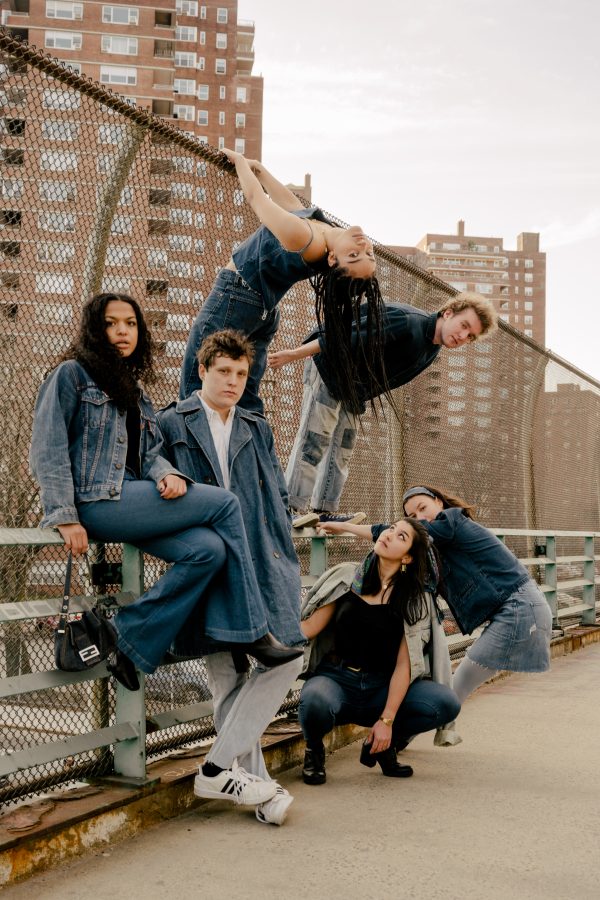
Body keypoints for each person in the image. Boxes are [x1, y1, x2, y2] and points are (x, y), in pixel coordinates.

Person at [29, 292, 302, 786]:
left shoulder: (134, 390)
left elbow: (150, 454)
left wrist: (166, 474)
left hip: (133, 499)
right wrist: (64, 516)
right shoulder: (71, 375)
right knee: (225, 503)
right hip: (96, 500)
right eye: (111, 323)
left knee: (208, 549)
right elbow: (47, 444)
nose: (123, 331)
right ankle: (253, 631)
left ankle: (128, 639)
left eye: (131, 323)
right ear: (95, 329)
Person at [157, 329, 304, 825]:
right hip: (211, 560)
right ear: (202, 371)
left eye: (241, 373)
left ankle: (217, 767)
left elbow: (277, 493)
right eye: (224, 371)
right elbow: (153, 475)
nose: (234, 381)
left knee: (287, 656)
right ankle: (260, 792)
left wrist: (284, 547)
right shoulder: (171, 421)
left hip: (262, 558)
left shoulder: (256, 425)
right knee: (227, 676)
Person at [179, 149, 391, 424]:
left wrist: (240, 162)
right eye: (368, 254)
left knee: (196, 380)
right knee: (247, 398)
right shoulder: (324, 230)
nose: (363, 246)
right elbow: (291, 203)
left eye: (353, 256)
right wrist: (258, 169)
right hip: (262, 311)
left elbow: (256, 200)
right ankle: (254, 449)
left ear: (332, 260)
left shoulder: (304, 238)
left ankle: (187, 446)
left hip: (237, 297)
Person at [268, 292, 498, 527]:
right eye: (464, 325)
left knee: (343, 447)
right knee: (316, 438)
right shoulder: (408, 322)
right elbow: (344, 338)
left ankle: (324, 509)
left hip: (354, 388)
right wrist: (293, 354)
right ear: (448, 313)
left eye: (470, 336)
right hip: (330, 365)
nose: (463, 336)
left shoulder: (431, 350)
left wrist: (359, 397)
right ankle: (289, 507)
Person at [298, 518, 461, 785]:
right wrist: (267, 635)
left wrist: (387, 721)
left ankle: (384, 745)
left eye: (401, 536)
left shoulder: (414, 598)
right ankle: (314, 751)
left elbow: (404, 666)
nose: (389, 534)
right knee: (314, 700)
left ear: (407, 558)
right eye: (391, 529)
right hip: (337, 679)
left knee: (445, 703)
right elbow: (309, 628)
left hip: (383, 688)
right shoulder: (347, 577)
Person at [401, 486, 553, 703]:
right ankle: (438, 719)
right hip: (521, 606)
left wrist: (354, 528)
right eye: (413, 516)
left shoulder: (452, 521)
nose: (421, 518)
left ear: (439, 502)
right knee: (456, 688)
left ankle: (427, 720)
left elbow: (402, 534)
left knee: (456, 689)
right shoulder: (440, 540)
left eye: (423, 508)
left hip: (519, 608)